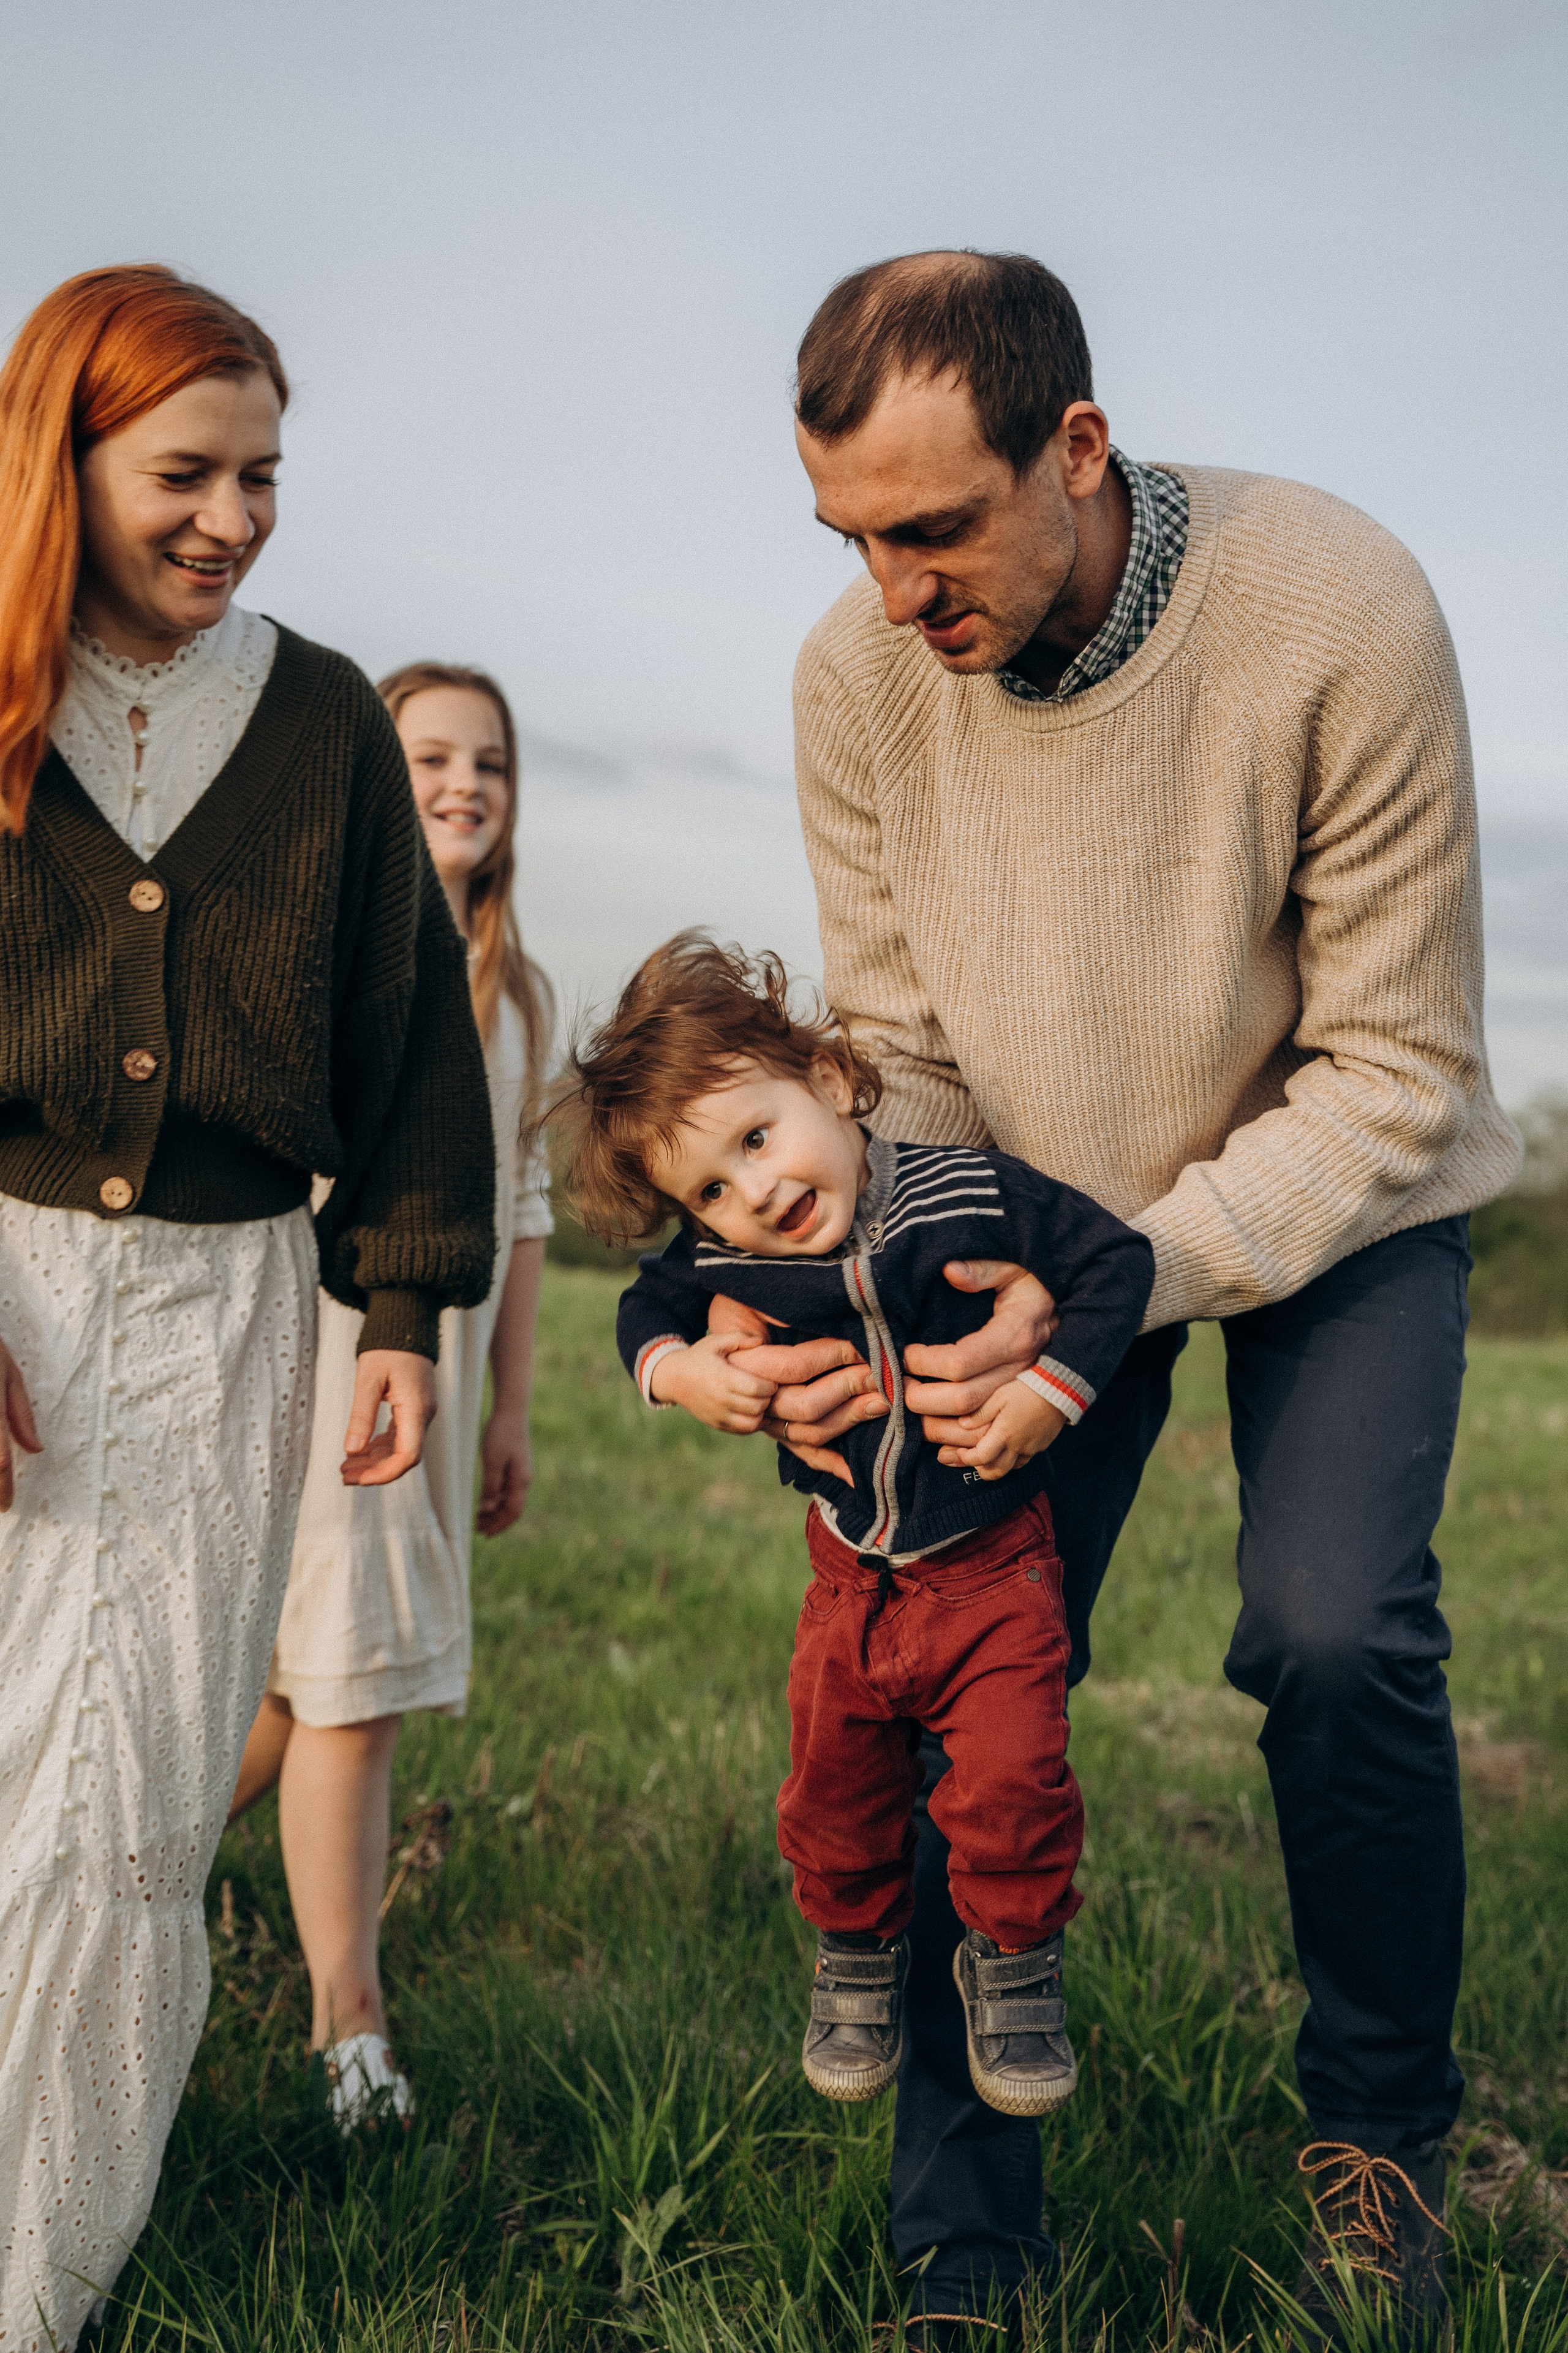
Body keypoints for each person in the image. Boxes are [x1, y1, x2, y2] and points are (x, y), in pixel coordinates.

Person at [705, 250, 1520, 2347]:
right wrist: (902, 1308)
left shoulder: (1338, 608)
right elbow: (895, 1047)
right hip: (1019, 1202)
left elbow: (1399, 1065)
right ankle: (965, 2237)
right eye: (847, 539)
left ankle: (1379, 2145)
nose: (893, 593)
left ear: (1074, 448)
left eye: (930, 529)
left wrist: (1129, 1287)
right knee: (928, 1625)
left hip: (1331, 1191)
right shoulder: (856, 681)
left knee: (1335, 1632)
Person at [0, 267, 494, 2351]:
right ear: (63, 465)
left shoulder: (318, 726)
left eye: (264, 474)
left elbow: (405, 1048)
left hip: (220, 1316)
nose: (232, 516)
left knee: (123, 1808)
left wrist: (396, 1308)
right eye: (183, 474)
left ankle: (40, 2270)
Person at [550, 934, 1153, 2112]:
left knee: (1013, 1778)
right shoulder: (728, 1255)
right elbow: (648, 1310)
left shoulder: (965, 1193)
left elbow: (1115, 1263)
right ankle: (856, 1954)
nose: (753, 1195)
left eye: (759, 1138)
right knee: (833, 1791)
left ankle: (1017, 1960)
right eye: (711, 1187)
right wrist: (685, 1376)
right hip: (850, 1584)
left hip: (994, 1572)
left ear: (827, 1079)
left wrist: (1050, 1391)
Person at [230, 662, 553, 2128]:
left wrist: (509, 1412)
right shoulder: (315, 942)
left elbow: (526, 1214)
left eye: (487, 761)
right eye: (427, 755)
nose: (462, 782)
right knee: (340, 1689)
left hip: (442, 1374)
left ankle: (88, 1872)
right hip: (322, 1360)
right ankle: (346, 2026)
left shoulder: (521, 992)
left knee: (306, 1693)